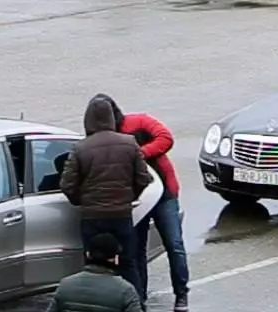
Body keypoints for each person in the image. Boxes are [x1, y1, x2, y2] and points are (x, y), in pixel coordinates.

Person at [60, 94, 154, 298]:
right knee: (128, 264)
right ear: (111, 118)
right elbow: (144, 178)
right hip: (121, 215)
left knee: (93, 268)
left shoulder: (80, 148)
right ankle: (135, 304)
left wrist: (82, 201)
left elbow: (67, 185)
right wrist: (128, 198)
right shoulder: (129, 143)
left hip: (92, 217)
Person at [101, 99, 189, 310]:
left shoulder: (139, 122)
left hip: (164, 194)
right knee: (136, 249)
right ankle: (139, 298)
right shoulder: (105, 138)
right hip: (136, 198)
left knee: (174, 245)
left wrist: (139, 154)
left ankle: (181, 294)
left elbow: (165, 138)